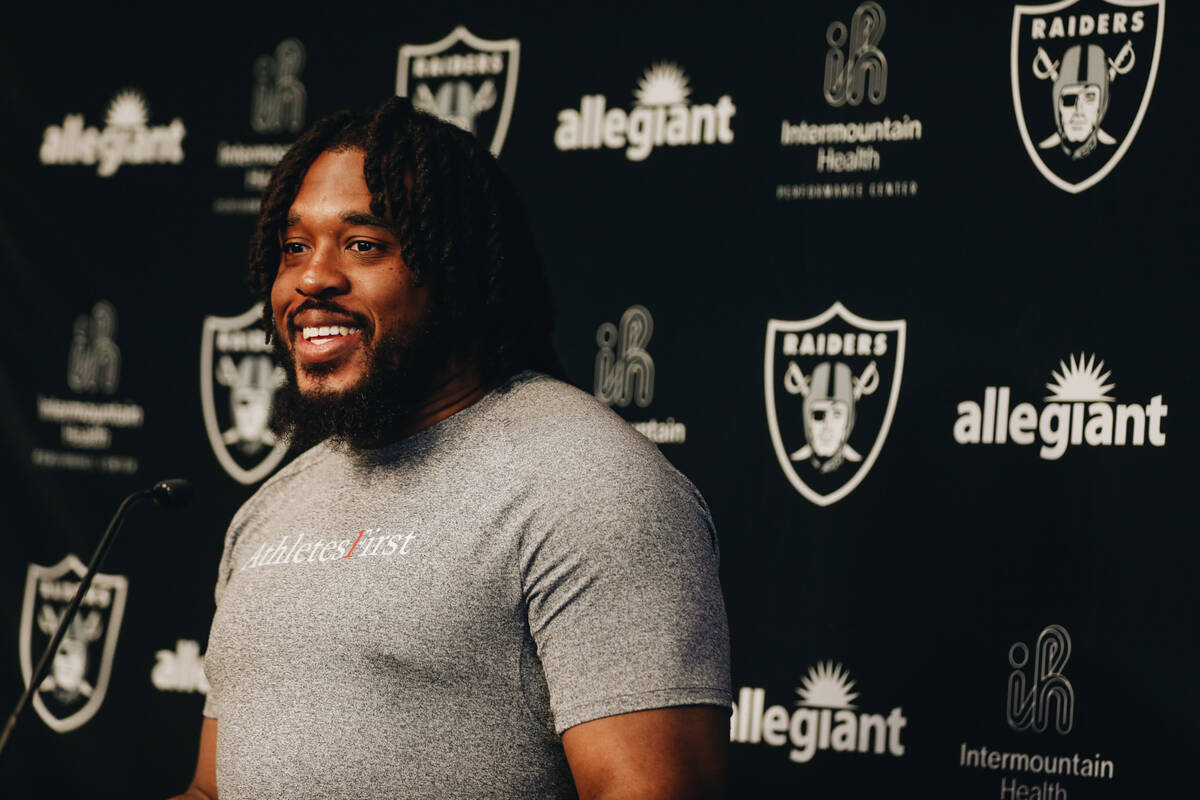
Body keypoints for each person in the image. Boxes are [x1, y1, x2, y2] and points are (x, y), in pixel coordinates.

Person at [173, 97, 731, 799]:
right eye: (294, 247)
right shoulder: (273, 509)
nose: (312, 278)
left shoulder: (589, 484)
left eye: (363, 244)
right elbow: (213, 790)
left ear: (456, 272)